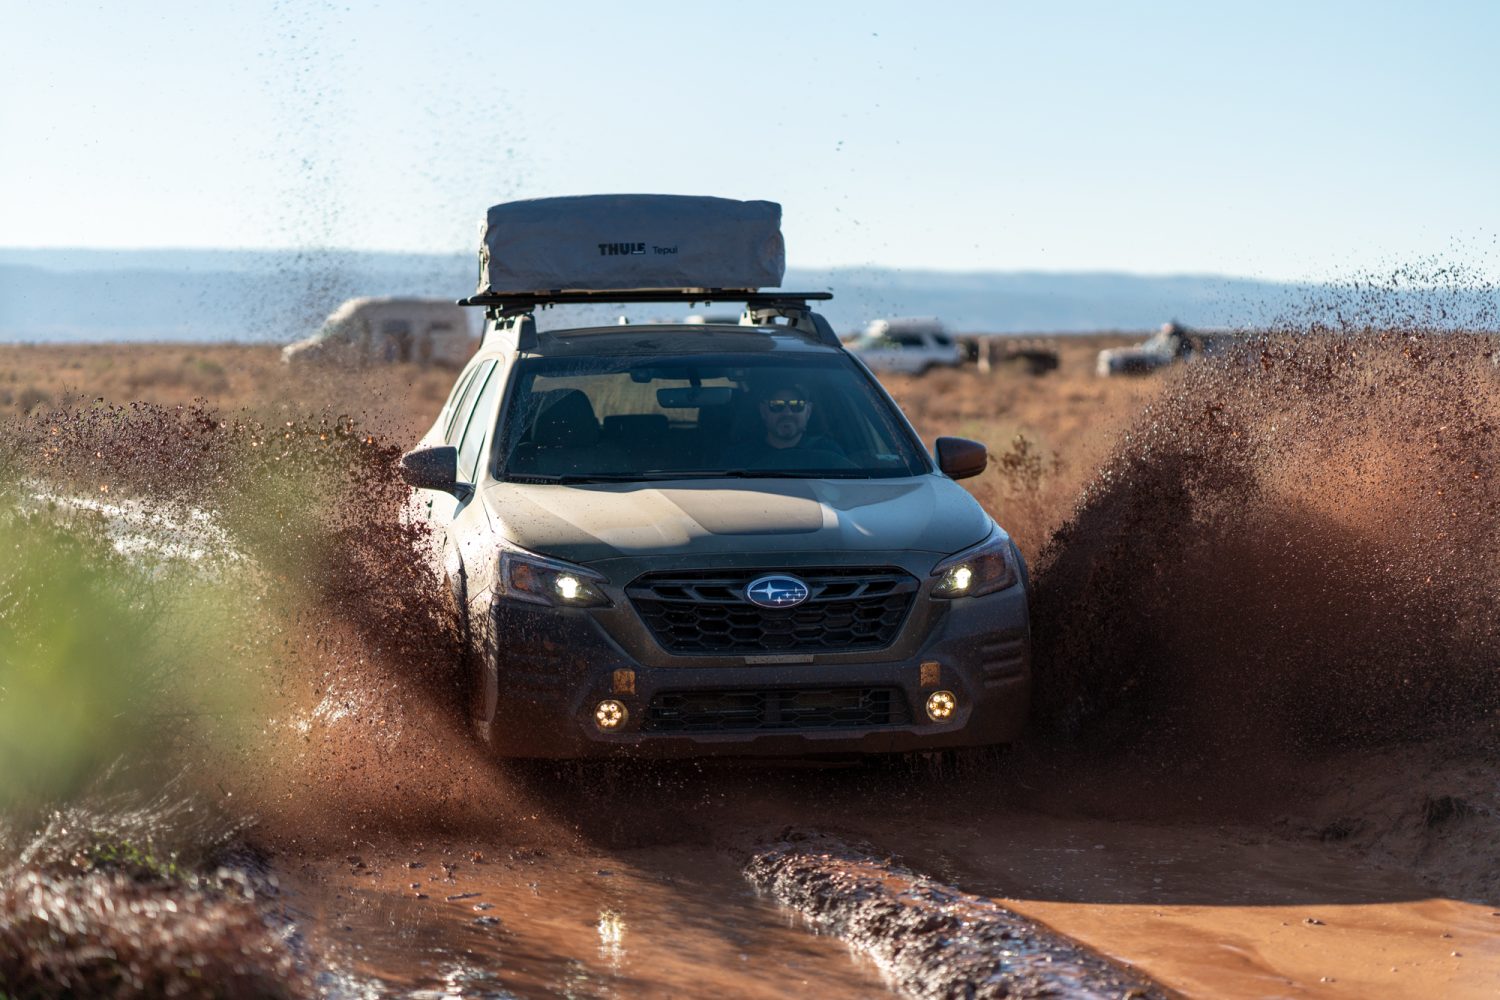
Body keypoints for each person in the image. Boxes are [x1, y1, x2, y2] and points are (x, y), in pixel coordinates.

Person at [722, 381, 849, 469]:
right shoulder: (739, 458)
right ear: (763, 411)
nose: (787, 413)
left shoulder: (829, 454)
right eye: (777, 405)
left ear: (808, 412)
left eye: (796, 405)